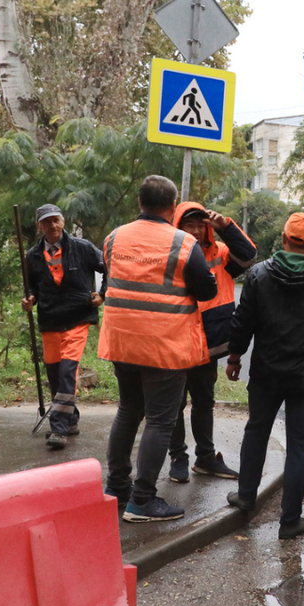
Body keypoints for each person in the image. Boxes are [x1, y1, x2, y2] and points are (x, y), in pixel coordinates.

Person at [225, 212, 304, 539]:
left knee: (256, 430)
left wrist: (235, 357)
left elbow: (243, 323)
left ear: (283, 239)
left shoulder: (258, 276)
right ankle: (290, 521)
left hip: (266, 372)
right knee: (300, 447)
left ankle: (245, 496)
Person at [100, 176, 218, 522]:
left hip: (122, 340)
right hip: (162, 344)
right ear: (172, 207)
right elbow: (207, 291)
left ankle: (117, 488)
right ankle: (143, 500)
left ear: (140, 201)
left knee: (128, 410)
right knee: (160, 420)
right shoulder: (183, 243)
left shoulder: (114, 238)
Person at [167, 200, 257, 483]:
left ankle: (205, 458)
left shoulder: (221, 253)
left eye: (200, 225)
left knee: (204, 401)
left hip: (207, 344)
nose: (194, 231)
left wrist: (226, 226)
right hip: (176, 341)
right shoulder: (169, 252)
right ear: (177, 227)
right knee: (174, 404)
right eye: (188, 225)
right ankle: (178, 459)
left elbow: (248, 254)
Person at [20, 203, 107, 450]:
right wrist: (30, 299)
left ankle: (58, 427)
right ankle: (70, 420)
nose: (52, 225)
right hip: (49, 320)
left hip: (77, 318)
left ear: (63, 222)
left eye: (56, 220)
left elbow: (109, 267)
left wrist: (103, 293)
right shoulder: (33, 256)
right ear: (39, 226)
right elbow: (32, 287)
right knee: (55, 375)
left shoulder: (83, 248)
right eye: (46, 222)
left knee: (69, 370)